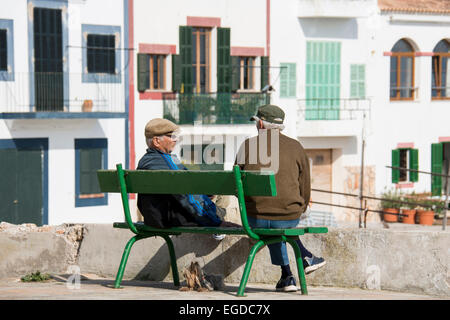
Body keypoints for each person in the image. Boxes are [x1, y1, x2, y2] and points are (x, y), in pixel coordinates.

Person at [235, 104, 326, 292]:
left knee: (270, 222)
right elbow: (305, 187)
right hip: (288, 216)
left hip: (254, 219)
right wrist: (301, 208)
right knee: (277, 223)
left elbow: (235, 184)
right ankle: (303, 258)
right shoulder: (296, 147)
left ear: (260, 124)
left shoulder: (247, 146)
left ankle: (287, 276)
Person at [136, 118, 238, 231]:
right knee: (222, 194)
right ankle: (219, 229)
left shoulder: (144, 161)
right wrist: (215, 222)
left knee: (209, 194)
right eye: (172, 136)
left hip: (153, 219)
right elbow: (188, 195)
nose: (176, 139)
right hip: (177, 219)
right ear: (156, 141)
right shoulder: (168, 162)